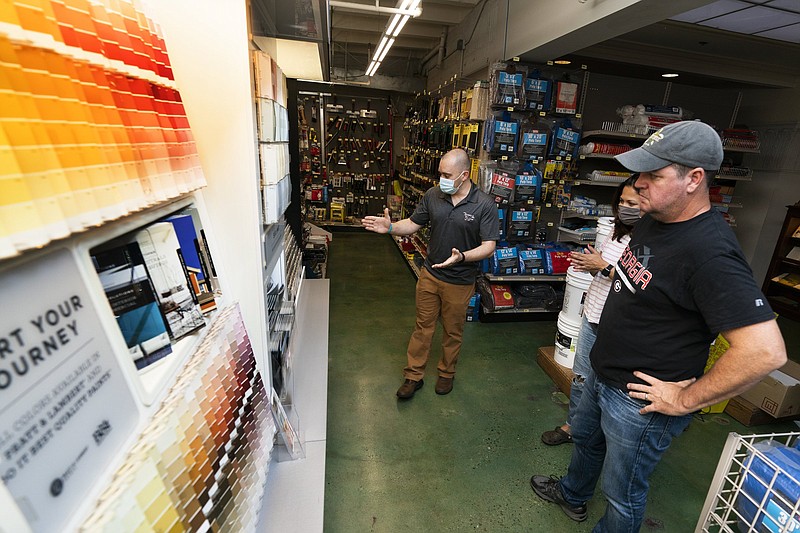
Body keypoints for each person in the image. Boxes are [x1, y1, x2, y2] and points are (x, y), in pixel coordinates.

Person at [530, 120, 787, 531]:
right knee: (587, 441)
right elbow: (638, 281)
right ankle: (574, 494)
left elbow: (764, 351)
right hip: (604, 368)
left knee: (623, 493)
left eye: (654, 174)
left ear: (694, 179)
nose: (639, 184)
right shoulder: (654, 219)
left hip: (640, 401)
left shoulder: (710, 252)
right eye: (640, 173)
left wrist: (686, 400)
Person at [362, 148, 499, 398]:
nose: (441, 179)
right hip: (430, 275)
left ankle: (447, 373)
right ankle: (413, 376)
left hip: (460, 281)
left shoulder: (484, 204)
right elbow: (413, 224)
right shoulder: (433, 195)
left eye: (446, 175)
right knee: (422, 327)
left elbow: (489, 246)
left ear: (465, 175)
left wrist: (463, 256)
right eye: (440, 174)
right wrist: (391, 227)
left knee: (453, 331)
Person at [540, 176, 640, 446]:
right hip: (593, 313)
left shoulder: (649, 241)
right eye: (621, 201)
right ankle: (574, 425)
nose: (624, 207)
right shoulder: (615, 231)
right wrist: (589, 264)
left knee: (608, 384)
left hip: (616, 323)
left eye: (632, 202)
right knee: (581, 376)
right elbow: (605, 266)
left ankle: (602, 434)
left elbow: (638, 284)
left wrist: (603, 266)